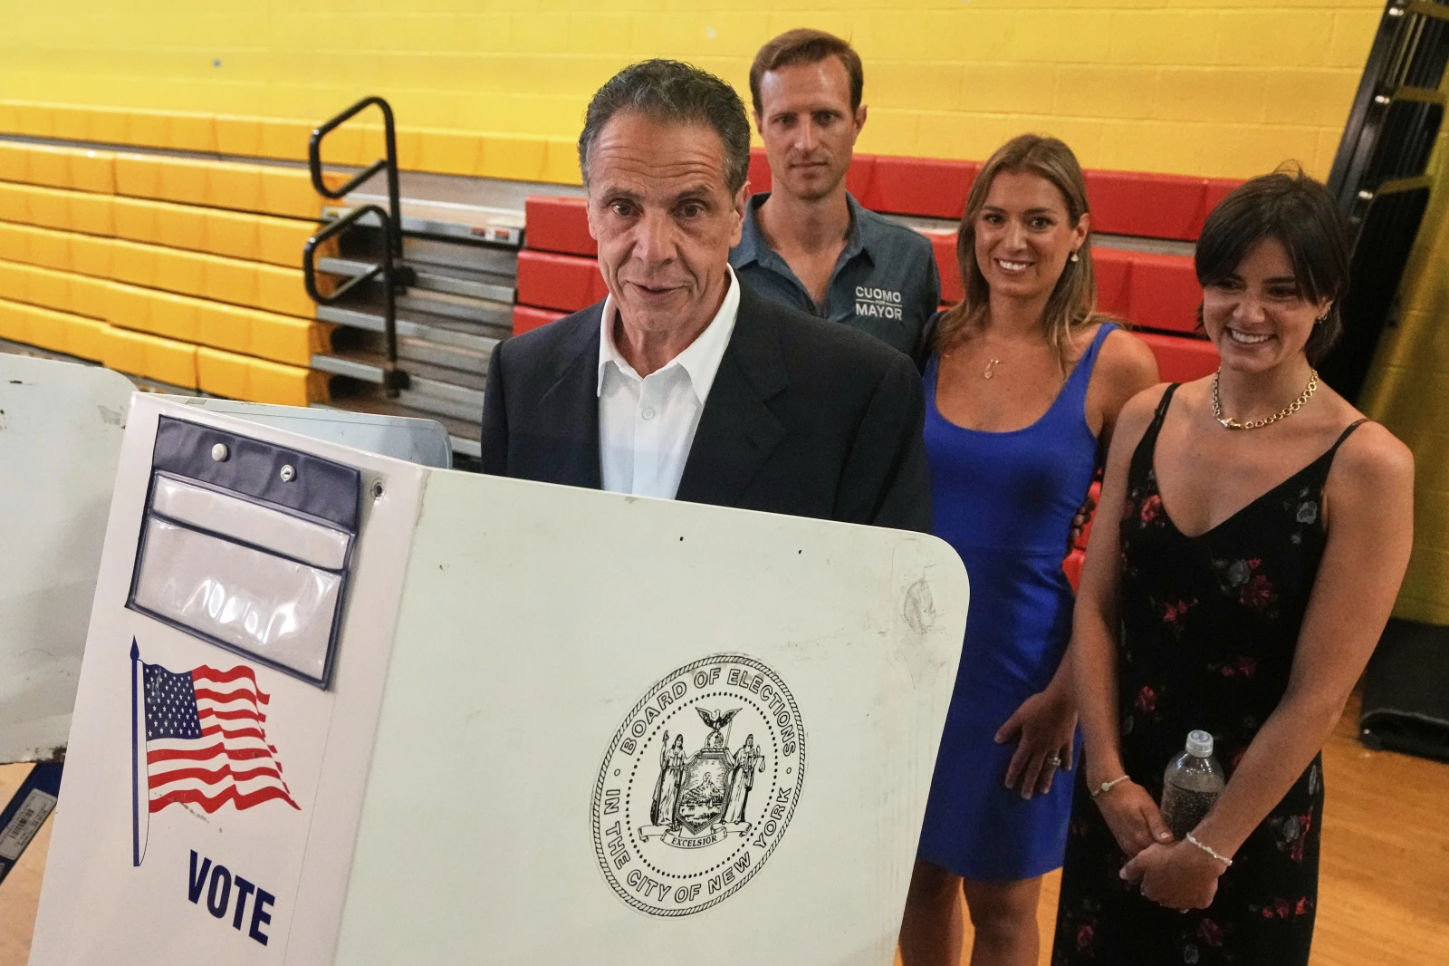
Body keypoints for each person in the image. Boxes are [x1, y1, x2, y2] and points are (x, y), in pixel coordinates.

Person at [1052, 170, 1413, 966]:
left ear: (1326, 298)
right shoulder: (1145, 416)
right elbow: (1098, 607)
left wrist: (1211, 847)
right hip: (1120, 798)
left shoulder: (1367, 466)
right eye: (1227, 285)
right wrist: (1106, 776)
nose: (1247, 314)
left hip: (1250, 822)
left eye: (1280, 292)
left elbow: (1319, 694)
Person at [899, 134, 1159, 966]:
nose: (1013, 241)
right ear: (970, 229)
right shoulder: (932, 339)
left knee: (1003, 900)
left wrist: (1069, 695)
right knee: (914, 880)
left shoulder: (1116, 362)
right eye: (995, 218)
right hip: (912, 659)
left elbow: (1133, 553)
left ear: (1078, 231)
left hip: (1022, 672)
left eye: (1039, 221)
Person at [480, 59, 931, 533]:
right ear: (590, 210)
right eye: (623, 207)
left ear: (737, 214)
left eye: (689, 209)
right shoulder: (522, 378)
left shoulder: (857, 394)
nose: (653, 250)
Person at [730, 29, 940, 360]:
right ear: (759, 125)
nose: (806, 143)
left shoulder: (908, 259)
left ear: (858, 121)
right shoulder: (718, 256)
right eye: (785, 120)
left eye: (825, 118)